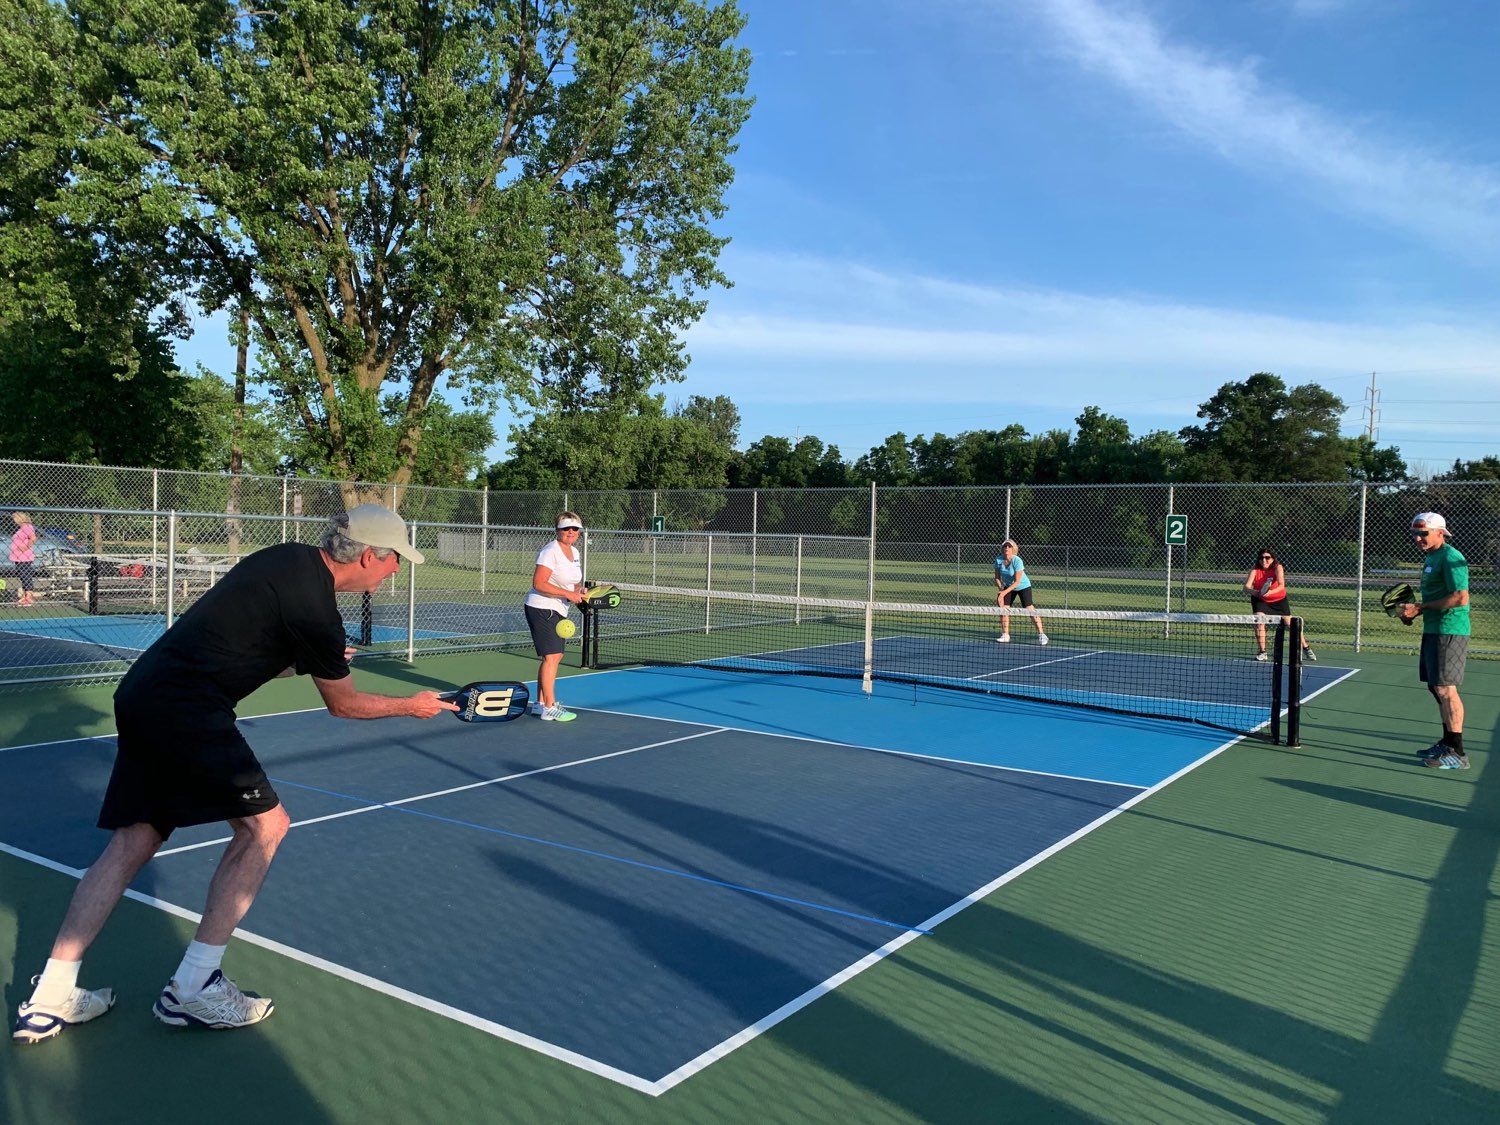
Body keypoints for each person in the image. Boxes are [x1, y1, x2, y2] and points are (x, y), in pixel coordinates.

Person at [12, 505, 459, 1044]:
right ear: (369, 556)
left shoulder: (286, 559)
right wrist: (413, 705)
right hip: (187, 708)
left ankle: (51, 994)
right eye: (393, 563)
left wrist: (303, 658)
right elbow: (346, 705)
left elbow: (242, 647)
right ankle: (194, 987)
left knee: (134, 840)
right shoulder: (317, 610)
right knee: (265, 828)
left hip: (144, 695)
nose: (395, 572)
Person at [1398, 512, 1471, 770]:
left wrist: (1422, 606)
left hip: (1450, 630)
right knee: (1435, 687)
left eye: (1423, 534)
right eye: (1415, 534)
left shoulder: (1452, 557)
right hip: (1434, 628)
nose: (1418, 539)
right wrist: (1415, 612)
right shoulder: (1431, 556)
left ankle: (1457, 753)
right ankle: (1447, 742)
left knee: (1445, 689)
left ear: (1441, 532)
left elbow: (1461, 597)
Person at [524, 512, 586, 721]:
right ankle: (550, 707)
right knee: (551, 657)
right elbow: (539, 583)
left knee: (555, 656)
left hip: (559, 609)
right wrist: (569, 594)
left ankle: (540, 704)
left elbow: (572, 582)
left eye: (574, 529)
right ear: (557, 530)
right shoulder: (550, 551)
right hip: (541, 607)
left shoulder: (574, 552)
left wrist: (579, 590)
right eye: (566, 528)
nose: (571, 532)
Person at [1243, 549, 1316, 663]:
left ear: (1272, 559)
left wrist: (1269, 593)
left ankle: (1306, 648)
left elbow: (1281, 585)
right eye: (1261, 558)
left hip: (1279, 600)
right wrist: (1256, 593)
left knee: (1290, 624)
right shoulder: (1255, 569)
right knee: (1259, 622)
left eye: (1267, 558)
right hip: (1260, 600)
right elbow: (1246, 587)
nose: (1264, 560)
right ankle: (1262, 652)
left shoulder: (1278, 567)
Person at [994, 540, 1047, 645]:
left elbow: (1017, 581)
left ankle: (1042, 634)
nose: (1007, 548)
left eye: (1009, 546)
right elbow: (997, 578)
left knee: (1029, 609)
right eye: (1005, 546)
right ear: (1002, 548)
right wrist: (1001, 589)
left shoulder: (1017, 560)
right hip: (1008, 586)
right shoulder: (998, 560)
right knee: (1003, 609)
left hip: (1023, 586)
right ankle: (1005, 634)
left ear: (1013, 549)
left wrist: (1003, 593)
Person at [9, 511, 38, 607]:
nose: (13, 521)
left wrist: (25, 547)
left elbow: (33, 538)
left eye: (15, 518)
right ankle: (26, 595)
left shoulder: (27, 527)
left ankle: (29, 596)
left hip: (24, 557)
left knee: (26, 574)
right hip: (18, 557)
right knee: (22, 575)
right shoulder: (21, 528)